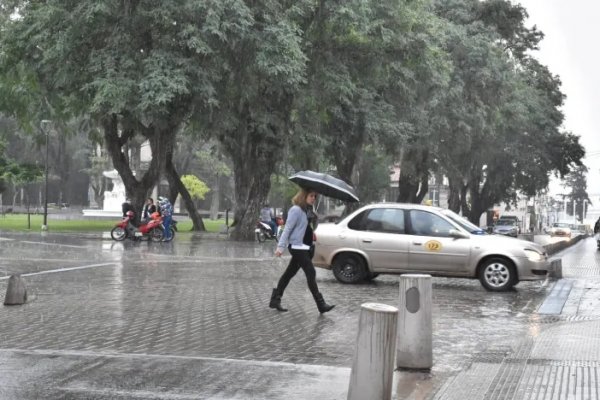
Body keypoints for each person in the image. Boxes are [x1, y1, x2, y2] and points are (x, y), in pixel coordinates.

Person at [271, 188, 334, 313]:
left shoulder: (308, 210)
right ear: (303, 196)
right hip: (297, 247)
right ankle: (321, 305)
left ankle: (275, 300)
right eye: (311, 196)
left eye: (315, 196)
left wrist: (314, 219)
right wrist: (280, 247)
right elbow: (287, 229)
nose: (313, 198)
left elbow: (311, 229)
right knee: (311, 272)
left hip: (306, 247)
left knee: (289, 274)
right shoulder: (296, 210)